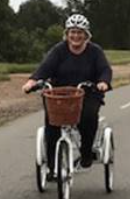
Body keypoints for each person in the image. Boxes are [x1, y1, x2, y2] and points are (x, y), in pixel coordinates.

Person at [22, 14, 112, 176]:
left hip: (88, 92)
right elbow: (45, 68)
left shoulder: (95, 52)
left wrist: (103, 82)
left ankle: (86, 153)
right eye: (72, 32)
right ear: (67, 34)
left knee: (88, 117)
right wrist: (32, 81)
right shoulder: (59, 51)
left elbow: (105, 69)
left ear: (86, 35)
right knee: (52, 124)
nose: (75, 36)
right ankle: (52, 166)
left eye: (79, 32)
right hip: (60, 94)